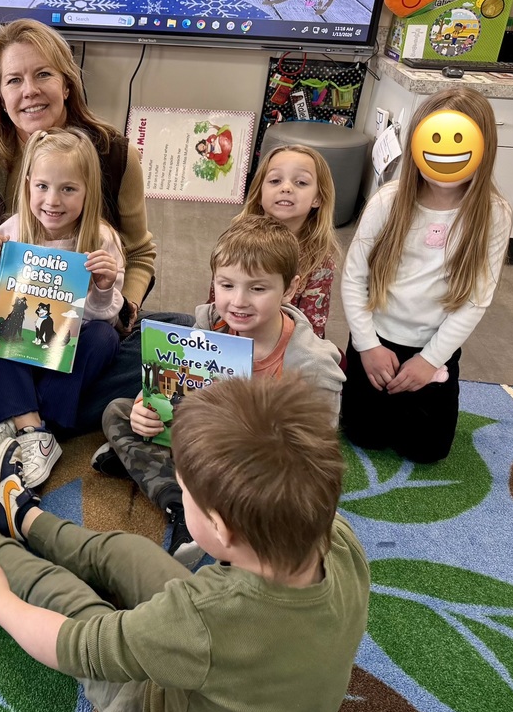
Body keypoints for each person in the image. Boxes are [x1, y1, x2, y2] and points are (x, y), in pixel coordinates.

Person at [0, 373, 371, 712]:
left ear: (219, 528)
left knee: (75, 603)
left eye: (182, 491)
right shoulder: (337, 535)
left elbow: (77, 645)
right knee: (128, 552)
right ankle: (24, 519)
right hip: (234, 657)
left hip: (155, 711)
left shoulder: (204, 616)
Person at [0, 18, 183, 442]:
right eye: (13, 80)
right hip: (7, 319)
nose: (29, 90)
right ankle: (58, 405)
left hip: (88, 320)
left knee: (174, 332)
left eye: (43, 73)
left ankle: (2, 403)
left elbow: (139, 253)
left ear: (67, 84)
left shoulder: (114, 154)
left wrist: (123, 306)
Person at [95, 216, 344, 566]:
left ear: (290, 289)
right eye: (227, 285)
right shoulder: (210, 325)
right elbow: (176, 392)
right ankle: (183, 503)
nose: (238, 301)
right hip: (202, 441)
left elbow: (316, 460)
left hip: (259, 468)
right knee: (118, 412)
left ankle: (178, 494)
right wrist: (147, 406)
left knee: (280, 506)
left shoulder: (312, 366)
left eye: (257, 289)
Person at [341, 87, 512, 463]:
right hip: (375, 342)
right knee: (362, 435)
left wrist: (431, 360)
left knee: (427, 451)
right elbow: (354, 278)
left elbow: (475, 300)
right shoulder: (388, 201)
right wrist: (367, 346)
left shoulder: (493, 214)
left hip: (432, 350)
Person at [0, 128, 124, 487]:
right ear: (27, 186)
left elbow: (107, 317)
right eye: (42, 187)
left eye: (68, 189)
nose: (52, 200)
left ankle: (14, 419)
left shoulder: (101, 240)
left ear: (88, 192)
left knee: (105, 338)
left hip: (68, 347)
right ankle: (34, 427)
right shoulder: (13, 231)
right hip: (22, 344)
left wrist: (102, 287)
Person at [211, 143, 340, 338]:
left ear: (318, 198)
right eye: (275, 180)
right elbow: (214, 305)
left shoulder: (319, 259)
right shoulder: (236, 241)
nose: (286, 188)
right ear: (260, 191)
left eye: (301, 183)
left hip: (285, 349)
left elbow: (312, 327)